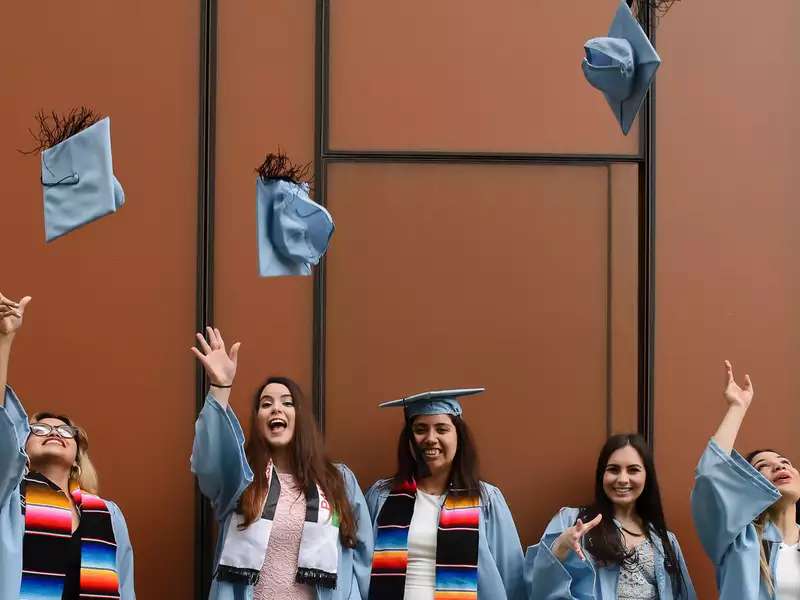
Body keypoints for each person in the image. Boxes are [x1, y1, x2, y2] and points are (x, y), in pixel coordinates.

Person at [190, 327, 373, 599]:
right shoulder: (241, 479)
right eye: (266, 404)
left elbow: (361, 559)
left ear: (301, 417)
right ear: (258, 419)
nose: (276, 408)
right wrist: (220, 388)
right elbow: (209, 462)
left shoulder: (338, 481)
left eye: (287, 403)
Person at [0, 291, 135, 599]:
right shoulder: (9, 503)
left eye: (65, 430)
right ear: (22, 448)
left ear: (77, 456)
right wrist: (4, 341)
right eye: (40, 428)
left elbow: (125, 589)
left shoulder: (108, 516)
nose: (54, 432)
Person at [365, 388, 525, 600]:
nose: (431, 438)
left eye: (442, 429)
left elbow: (512, 577)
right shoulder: (382, 496)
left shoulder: (485, 500)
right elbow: (358, 567)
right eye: (421, 429)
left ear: (458, 436)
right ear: (409, 439)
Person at [526, 433, 695, 599]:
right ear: (602, 475)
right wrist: (561, 546)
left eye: (633, 470)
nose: (622, 479)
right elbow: (536, 589)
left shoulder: (664, 541)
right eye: (613, 469)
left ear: (647, 476)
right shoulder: (572, 522)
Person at [692, 360, 800, 599]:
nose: (779, 465)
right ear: (750, 488)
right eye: (763, 466)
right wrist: (737, 407)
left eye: (785, 462)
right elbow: (710, 476)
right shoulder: (737, 539)